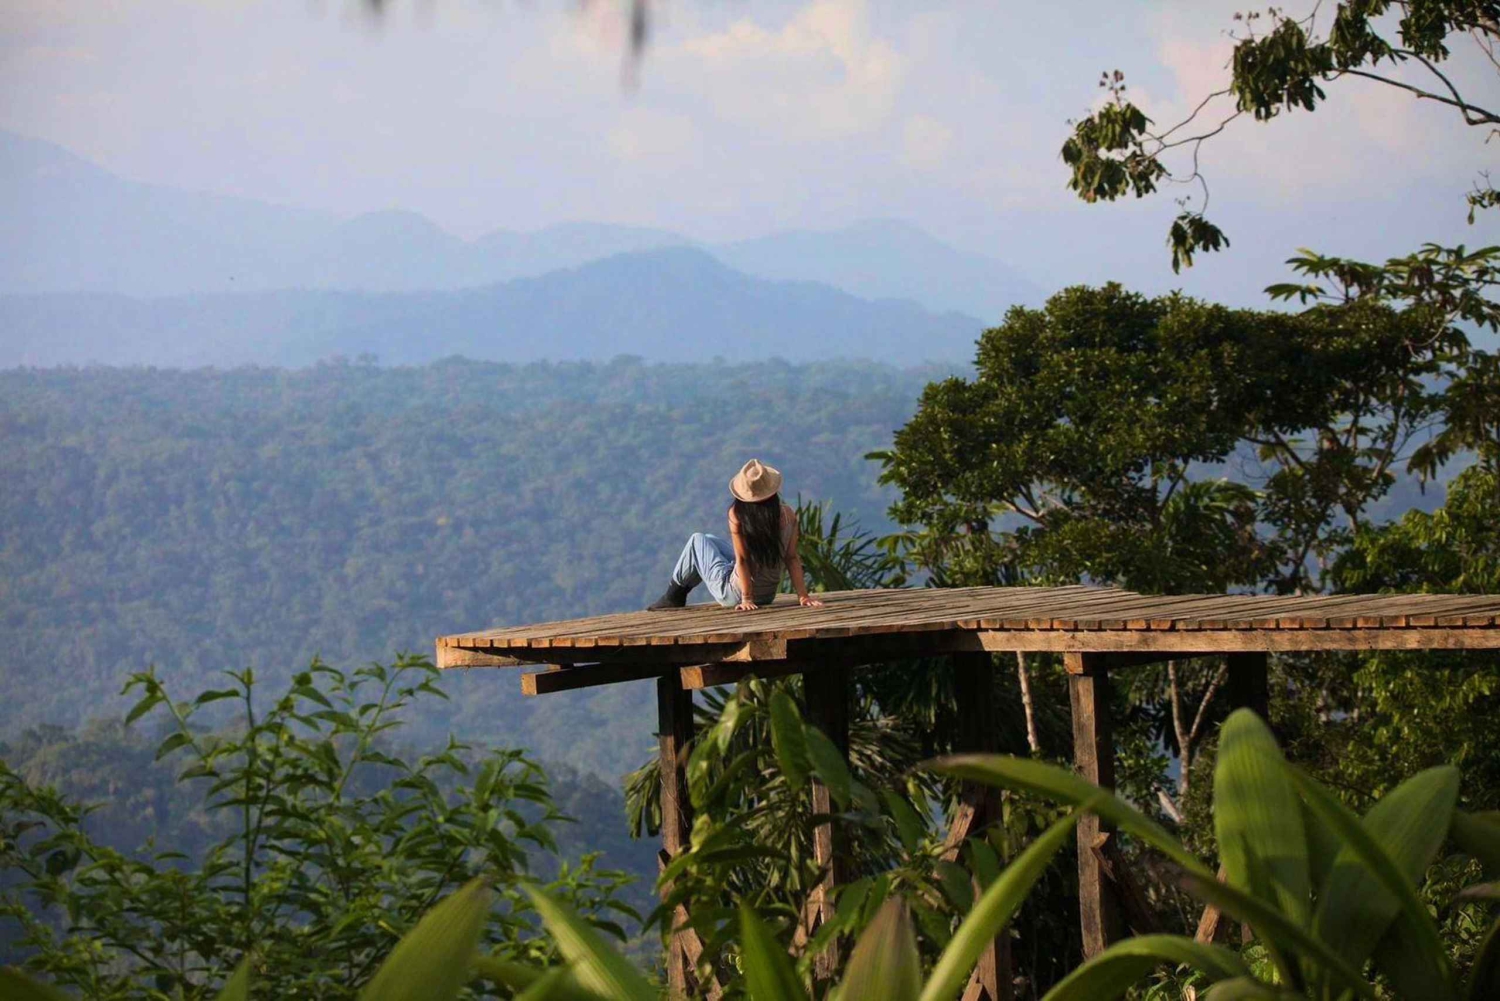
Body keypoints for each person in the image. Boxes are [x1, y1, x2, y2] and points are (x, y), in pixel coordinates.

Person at [647, 459, 826, 612]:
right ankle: (675, 595)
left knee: (697, 540)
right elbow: (792, 558)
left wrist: (746, 599)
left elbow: (743, 561)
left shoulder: (737, 515)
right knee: (709, 539)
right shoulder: (788, 514)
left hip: (734, 595)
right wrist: (803, 596)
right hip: (767, 595)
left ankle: (673, 595)